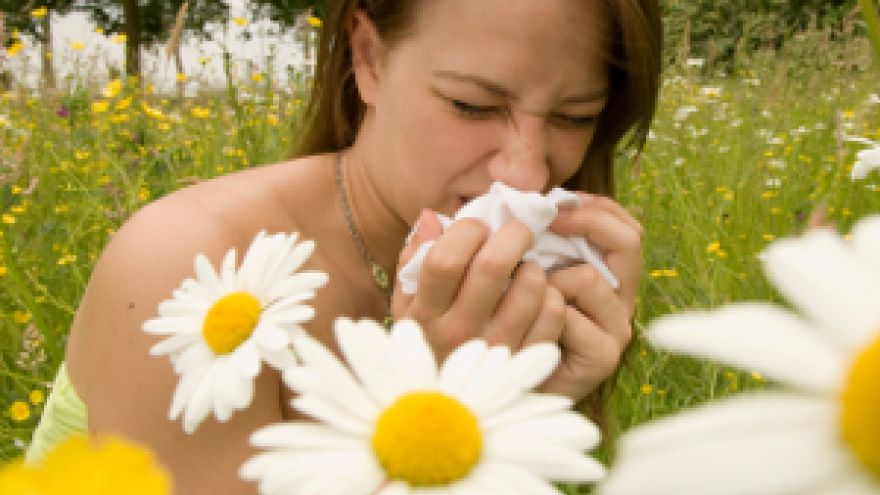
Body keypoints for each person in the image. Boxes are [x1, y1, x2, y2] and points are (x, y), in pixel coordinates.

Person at [31, 0, 661, 493]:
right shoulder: (188, 270)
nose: (526, 174)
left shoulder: (540, 279)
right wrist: (437, 404)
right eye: (472, 105)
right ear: (369, 59)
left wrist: (524, 408)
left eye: (575, 117)